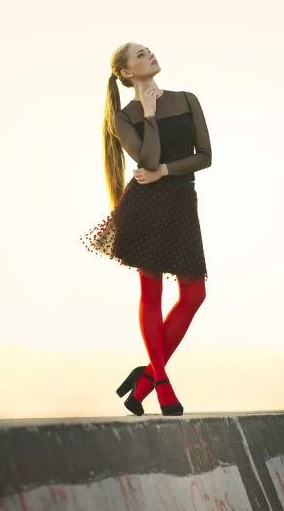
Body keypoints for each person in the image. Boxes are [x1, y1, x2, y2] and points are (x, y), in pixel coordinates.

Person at [80, 42, 212, 417]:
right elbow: (147, 159)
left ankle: (147, 377)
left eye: (149, 50)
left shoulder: (188, 99)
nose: (150, 55)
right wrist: (149, 113)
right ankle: (163, 382)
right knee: (150, 291)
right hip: (145, 205)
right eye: (140, 55)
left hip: (183, 201)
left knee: (194, 294)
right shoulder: (124, 117)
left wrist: (166, 172)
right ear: (125, 73)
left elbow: (205, 156)